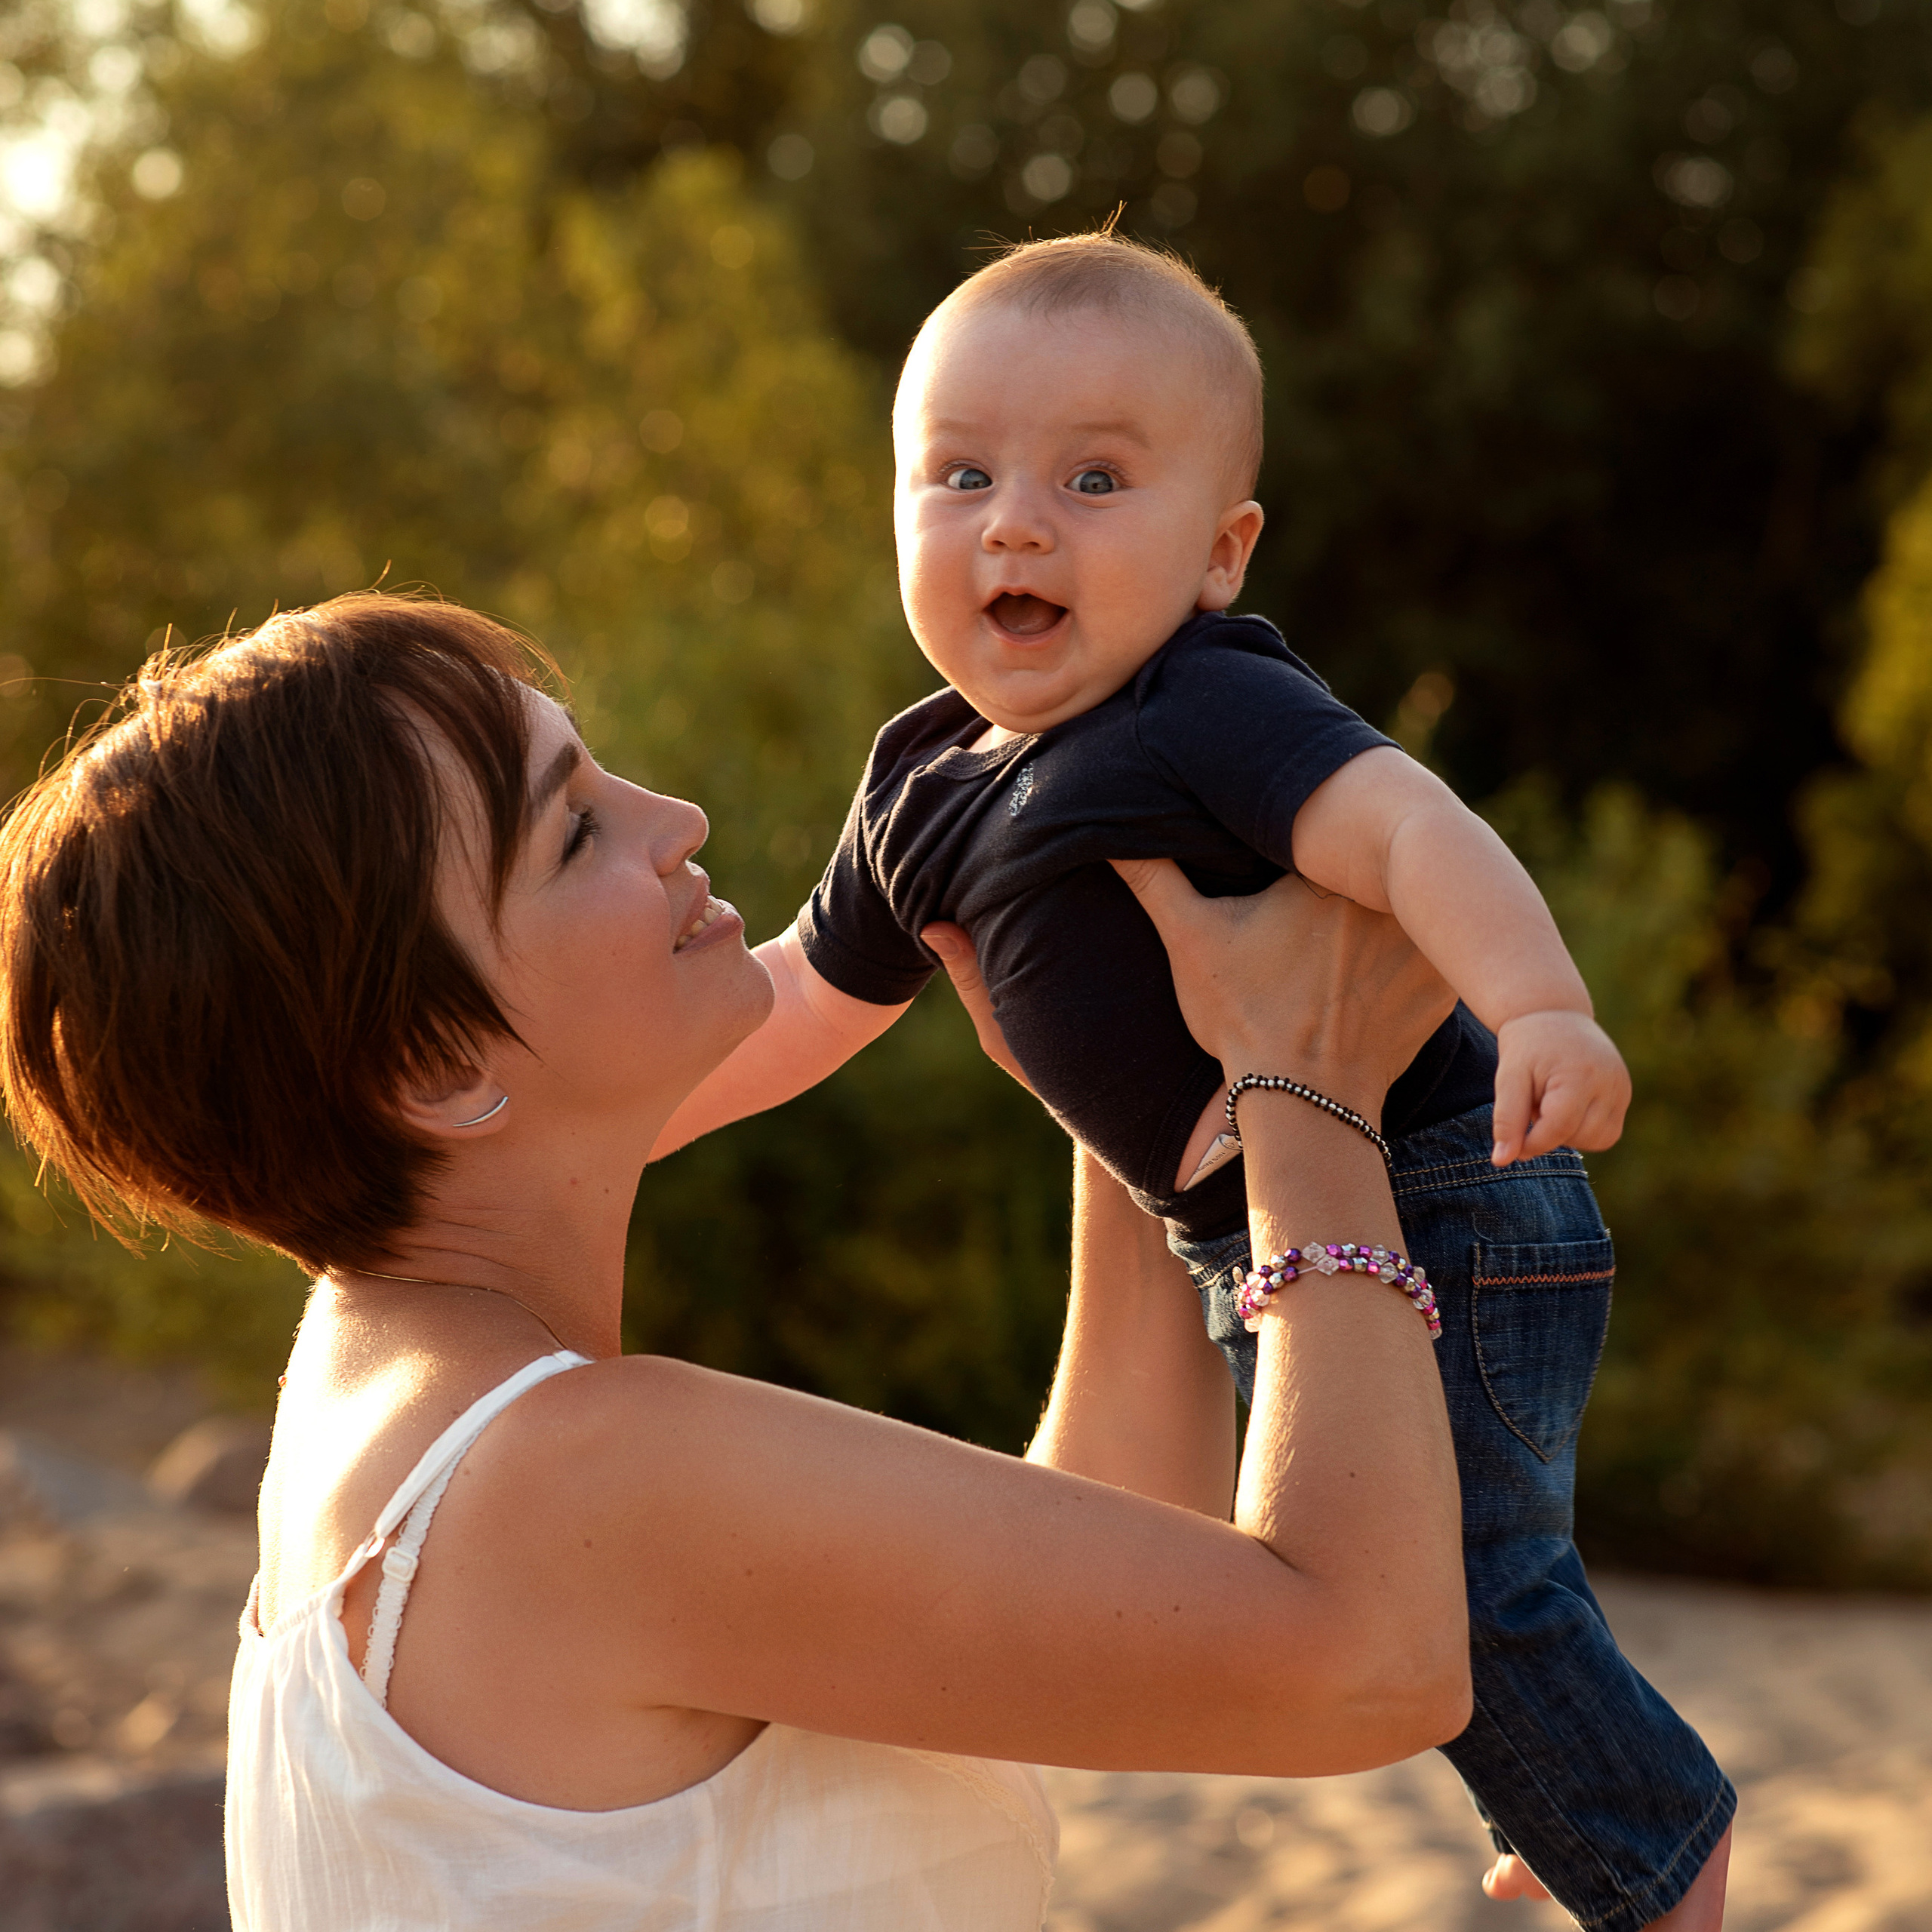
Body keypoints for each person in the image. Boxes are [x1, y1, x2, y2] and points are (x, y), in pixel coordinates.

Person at [0, 594, 1469, 1930]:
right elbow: (1365, 1659)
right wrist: (1307, 1087)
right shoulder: (561, 1473)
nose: (676, 817)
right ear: (438, 1064)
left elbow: (1111, 1567)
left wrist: (1139, 1089)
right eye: (574, 831)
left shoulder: (383, 1395)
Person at [654, 234, 1736, 1930]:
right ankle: (1578, 1783)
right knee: (1436, 1563)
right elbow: (801, 994)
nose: (1013, 520)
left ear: (1218, 549)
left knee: (1452, 1572)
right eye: (958, 472)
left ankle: (1653, 1847)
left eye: (1093, 478)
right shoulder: (918, 775)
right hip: (1248, 1233)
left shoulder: (1201, 702)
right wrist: (628, 1122)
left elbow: (1404, 824)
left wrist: (1538, 1003)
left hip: (1436, 1184)